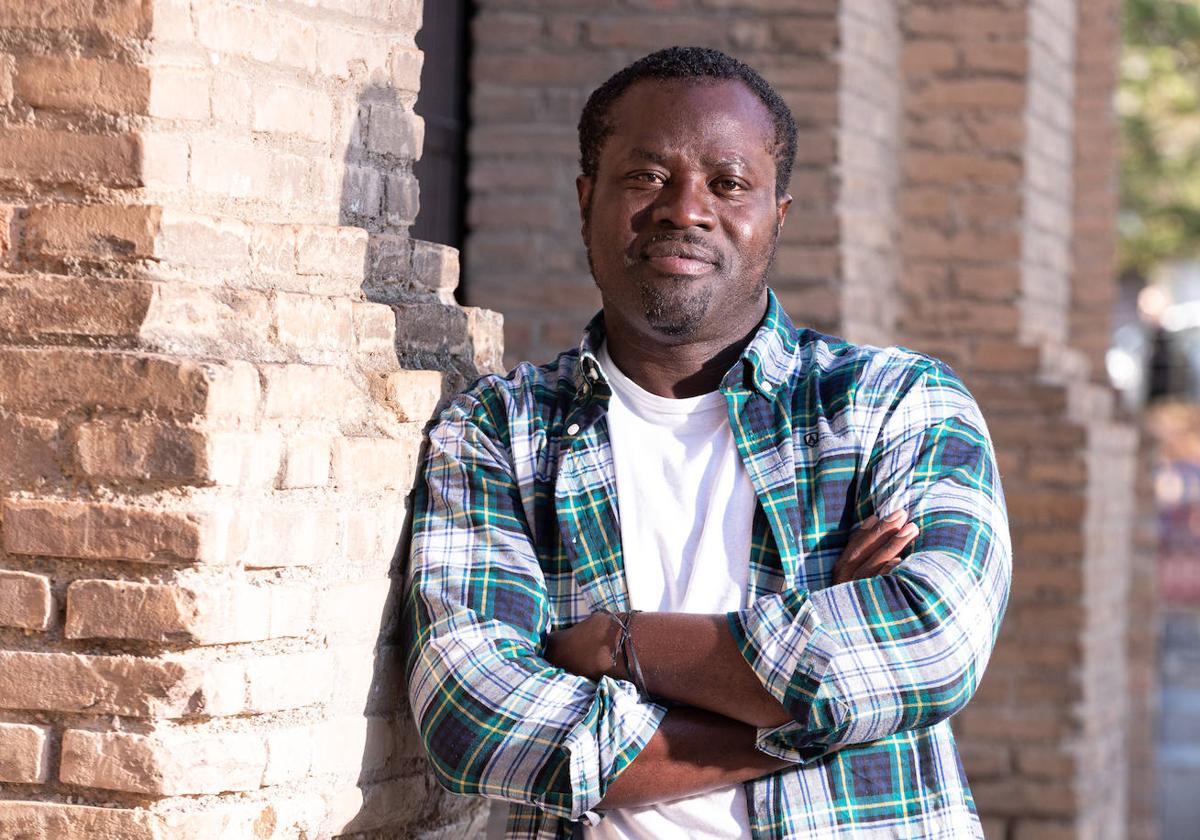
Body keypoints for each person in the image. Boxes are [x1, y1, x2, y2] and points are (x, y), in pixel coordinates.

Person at [404, 46, 1011, 840]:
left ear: (777, 217)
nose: (685, 208)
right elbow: (476, 721)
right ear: (587, 199)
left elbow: (934, 642)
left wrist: (620, 645)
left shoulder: (895, 404)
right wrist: (819, 696)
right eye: (647, 176)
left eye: (728, 183)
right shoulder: (498, 434)